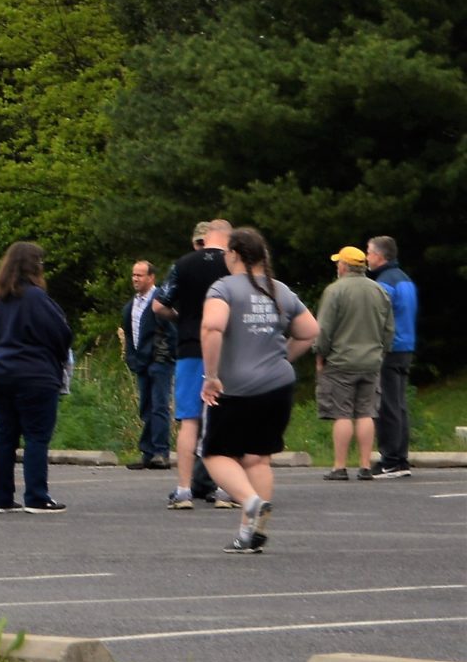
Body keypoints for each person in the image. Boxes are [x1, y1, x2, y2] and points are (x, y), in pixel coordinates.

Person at [198, 227, 318, 553]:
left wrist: (211, 376)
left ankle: (249, 501)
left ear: (234, 254)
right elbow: (310, 331)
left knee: (214, 453)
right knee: (258, 459)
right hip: (277, 385)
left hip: (236, 387)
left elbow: (212, 327)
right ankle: (250, 532)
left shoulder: (223, 288)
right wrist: (281, 357)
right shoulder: (280, 290)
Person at [0, 242, 72, 514]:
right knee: (36, 435)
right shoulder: (36, 298)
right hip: (34, 373)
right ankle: (36, 495)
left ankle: (1, 497)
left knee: (5, 434)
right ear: (34, 266)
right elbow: (61, 334)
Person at [157, 218, 232, 510]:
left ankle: (184, 490)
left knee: (189, 420)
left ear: (205, 237)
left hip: (190, 346)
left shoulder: (183, 264)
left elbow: (159, 304)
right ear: (229, 238)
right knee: (223, 418)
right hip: (227, 349)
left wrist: (183, 316)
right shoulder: (234, 265)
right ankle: (225, 490)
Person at [311, 246, 392, 482]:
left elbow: (323, 329)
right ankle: (366, 466)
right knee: (366, 412)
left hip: (340, 361)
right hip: (371, 361)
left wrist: (320, 355)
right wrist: (381, 352)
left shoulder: (335, 291)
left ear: (345, 266)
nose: (337, 266)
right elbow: (389, 330)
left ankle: (339, 466)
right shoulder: (379, 291)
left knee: (342, 413)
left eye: (339, 263)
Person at [367, 236, 418, 477]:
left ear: (379, 256)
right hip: (406, 345)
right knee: (399, 404)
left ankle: (390, 459)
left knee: (386, 405)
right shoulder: (405, 279)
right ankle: (401, 456)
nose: (367, 257)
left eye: (369, 252)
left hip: (389, 348)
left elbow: (378, 317)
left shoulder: (384, 283)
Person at [118, 257, 174, 470]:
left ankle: (161, 452)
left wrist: (165, 355)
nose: (135, 279)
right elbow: (131, 336)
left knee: (159, 405)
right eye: (133, 275)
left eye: (140, 275)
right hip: (141, 362)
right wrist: (131, 358)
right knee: (146, 407)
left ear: (151, 277)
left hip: (160, 361)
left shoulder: (161, 300)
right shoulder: (130, 306)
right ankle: (148, 451)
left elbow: (171, 331)